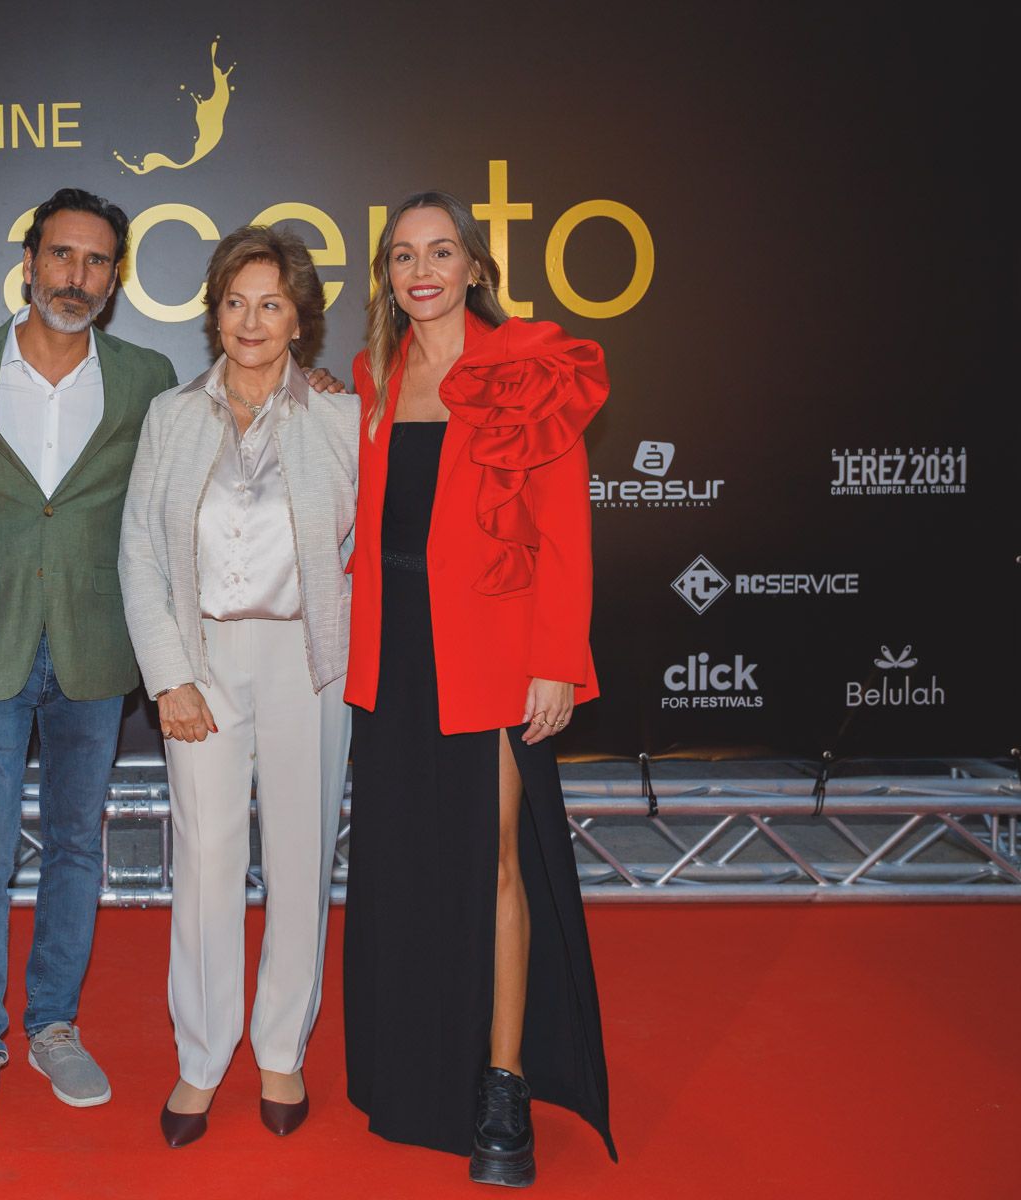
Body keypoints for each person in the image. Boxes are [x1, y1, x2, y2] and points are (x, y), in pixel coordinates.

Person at [340, 191, 617, 1188]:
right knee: (406, 863)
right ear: (386, 275)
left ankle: (504, 1081)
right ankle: (418, 1066)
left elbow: (565, 526)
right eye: (403, 255)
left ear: (474, 267)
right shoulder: (376, 375)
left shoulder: (526, 368)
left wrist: (557, 660)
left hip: (493, 657)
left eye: (441, 251)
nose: (422, 271)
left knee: (496, 863)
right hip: (393, 659)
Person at [0, 187, 178, 1142]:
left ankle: (54, 1023)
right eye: (62, 255)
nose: (77, 276)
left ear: (115, 279)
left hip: (93, 644)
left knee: (76, 845)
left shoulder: (149, 378)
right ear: (29, 262)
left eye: (97, 261)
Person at [119, 226, 357, 1147]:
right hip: (204, 661)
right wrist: (171, 675)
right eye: (234, 302)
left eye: (270, 304)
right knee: (206, 863)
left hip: (309, 663)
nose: (250, 322)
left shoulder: (341, 418)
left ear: (300, 321)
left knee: (301, 859)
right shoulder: (172, 416)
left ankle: (282, 1049)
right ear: (213, 313)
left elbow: (368, 546)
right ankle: (201, 1058)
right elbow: (140, 552)